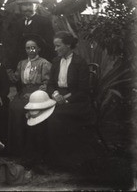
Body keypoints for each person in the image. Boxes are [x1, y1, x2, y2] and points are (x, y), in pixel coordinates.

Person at [45, 31, 97, 173]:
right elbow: (50, 85)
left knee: (54, 118)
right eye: (54, 46)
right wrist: (55, 94)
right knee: (40, 114)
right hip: (58, 98)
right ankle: (47, 156)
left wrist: (65, 99)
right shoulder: (56, 61)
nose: (55, 49)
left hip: (77, 101)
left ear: (68, 45)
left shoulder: (80, 62)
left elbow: (82, 90)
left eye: (58, 46)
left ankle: (65, 161)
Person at [8, 34, 51, 156]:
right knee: (13, 107)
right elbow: (16, 79)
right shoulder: (22, 63)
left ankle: (31, 149)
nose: (30, 50)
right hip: (23, 92)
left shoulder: (44, 63)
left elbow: (47, 83)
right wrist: (9, 74)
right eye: (28, 48)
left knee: (25, 110)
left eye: (33, 47)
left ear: (38, 49)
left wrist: (33, 93)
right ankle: (17, 149)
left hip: (39, 94)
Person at [5, 0, 55, 73]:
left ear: (36, 6)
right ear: (21, 7)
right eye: (25, 5)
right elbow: (14, 46)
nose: (27, 8)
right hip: (22, 63)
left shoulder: (44, 22)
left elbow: (50, 45)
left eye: (30, 5)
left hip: (40, 63)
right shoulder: (18, 23)